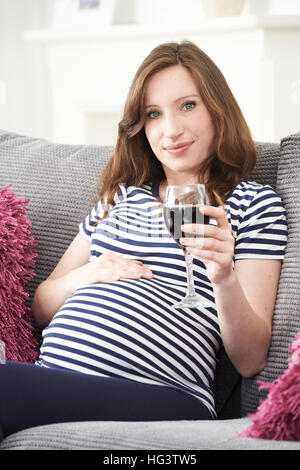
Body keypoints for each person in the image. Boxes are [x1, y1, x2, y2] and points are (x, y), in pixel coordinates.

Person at [0, 40, 287, 442]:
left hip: (166, 396)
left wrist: (223, 276)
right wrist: (84, 278)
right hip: (56, 381)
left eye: (188, 105)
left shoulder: (253, 204)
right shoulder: (121, 196)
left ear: (217, 109)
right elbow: (42, 306)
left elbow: (251, 358)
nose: (171, 130)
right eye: (153, 114)